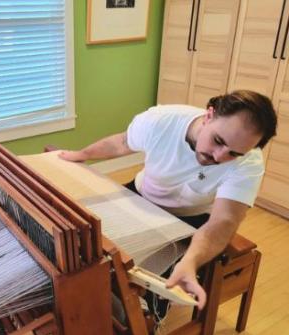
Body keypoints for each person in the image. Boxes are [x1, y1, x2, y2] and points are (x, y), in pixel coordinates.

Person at [59, 90, 277, 311]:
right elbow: (121, 143)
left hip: (190, 220)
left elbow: (224, 221)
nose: (220, 157)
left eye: (234, 153)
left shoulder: (249, 162)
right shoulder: (162, 120)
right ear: (209, 115)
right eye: (218, 141)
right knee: (85, 243)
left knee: (149, 296)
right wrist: (81, 154)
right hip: (140, 196)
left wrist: (191, 261)